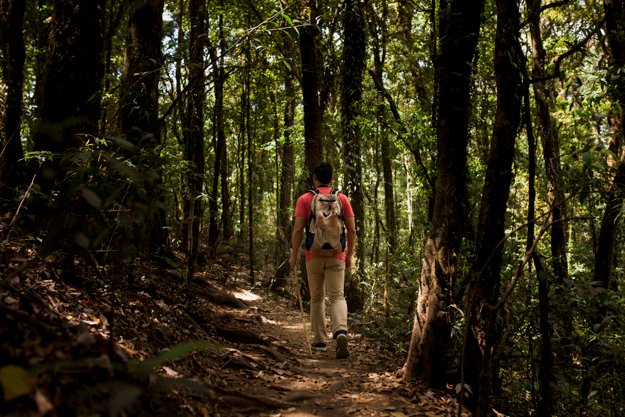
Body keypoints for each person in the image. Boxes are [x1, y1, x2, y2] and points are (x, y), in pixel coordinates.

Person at [289, 162, 356, 359]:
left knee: (317, 297)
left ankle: (319, 340)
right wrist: (349, 254)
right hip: (337, 255)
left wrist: (294, 255)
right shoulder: (342, 199)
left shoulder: (305, 199)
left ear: (315, 178)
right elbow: (351, 230)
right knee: (337, 296)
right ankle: (341, 331)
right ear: (332, 178)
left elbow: (297, 229)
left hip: (313, 255)